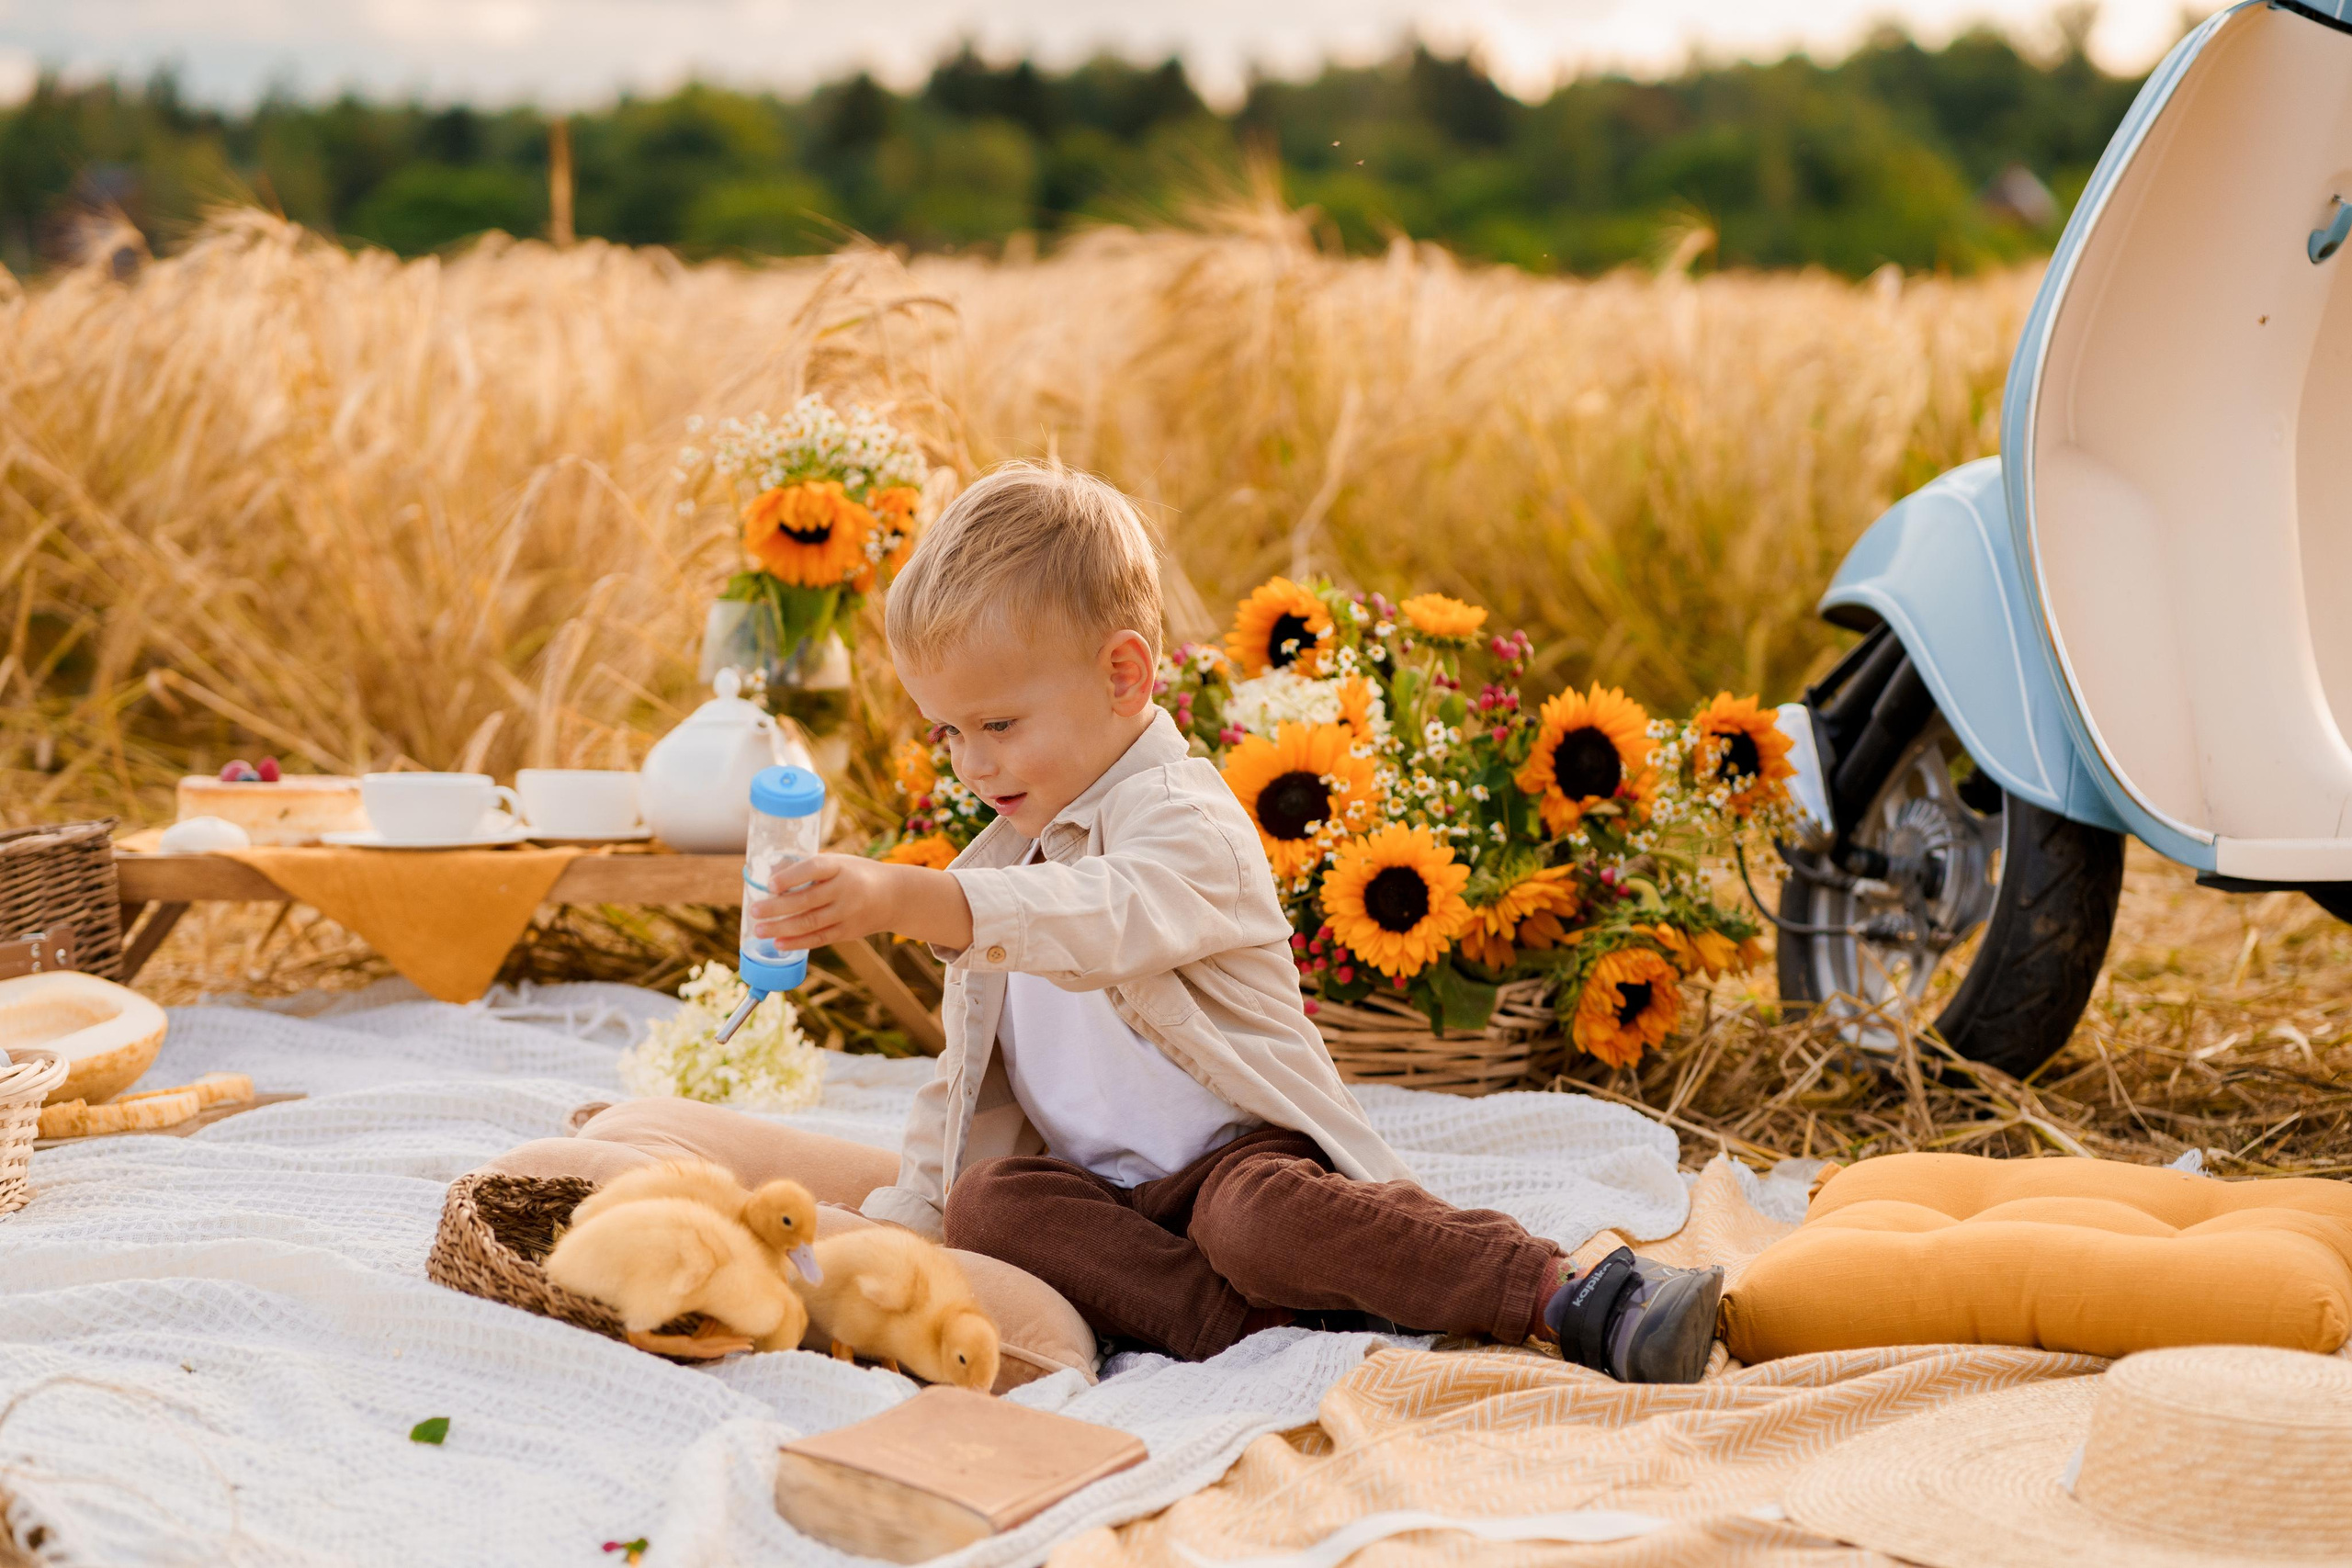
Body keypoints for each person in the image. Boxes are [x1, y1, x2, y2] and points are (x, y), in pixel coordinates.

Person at [747, 460, 1722, 1382]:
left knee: (1256, 1226)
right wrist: (897, 1238)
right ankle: (1253, 1329)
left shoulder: (1185, 818)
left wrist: (909, 899)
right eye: (948, 733)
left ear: (1124, 677)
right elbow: (957, 1095)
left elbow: (1105, 916)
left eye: (998, 725)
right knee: (988, 1203)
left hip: (1245, 1162)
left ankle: (1566, 1293)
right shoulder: (1001, 862)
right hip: (1109, 1200)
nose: (972, 764)